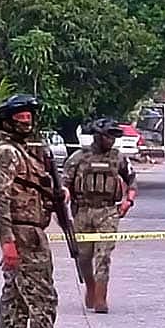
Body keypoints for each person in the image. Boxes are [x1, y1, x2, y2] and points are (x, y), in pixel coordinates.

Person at [0, 94, 77, 328]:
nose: (26, 120)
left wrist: (56, 196)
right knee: (42, 294)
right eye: (20, 116)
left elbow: (30, 191)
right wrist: (7, 240)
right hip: (24, 232)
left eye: (29, 116)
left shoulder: (28, 153)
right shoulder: (7, 153)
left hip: (32, 229)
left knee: (16, 296)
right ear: (8, 121)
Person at [63, 118, 137, 313]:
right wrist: (66, 195)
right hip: (83, 211)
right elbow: (65, 182)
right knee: (84, 256)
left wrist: (128, 200)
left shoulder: (118, 158)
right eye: (107, 136)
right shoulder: (79, 157)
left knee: (103, 255)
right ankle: (91, 286)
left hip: (108, 211)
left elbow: (131, 179)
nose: (111, 141)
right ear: (97, 136)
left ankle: (101, 298)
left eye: (114, 137)